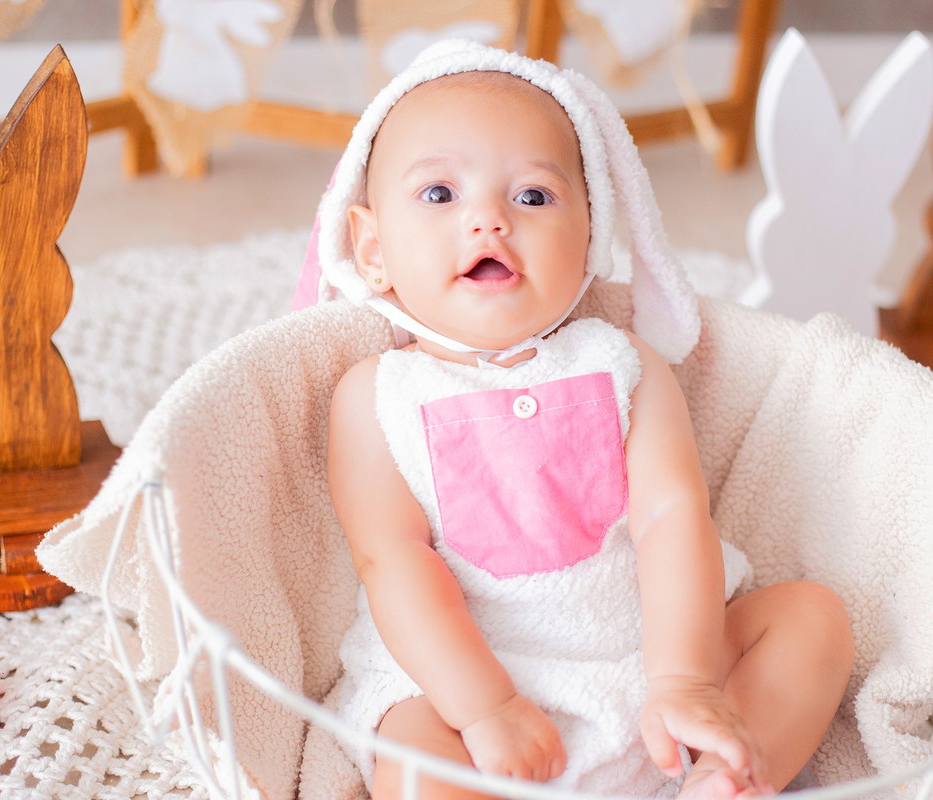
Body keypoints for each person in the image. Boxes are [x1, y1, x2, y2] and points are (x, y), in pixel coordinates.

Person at [321, 42, 854, 800]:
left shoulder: (622, 364)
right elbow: (392, 561)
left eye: (533, 196)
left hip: (649, 663)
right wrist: (486, 707)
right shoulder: (378, 395)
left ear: (589, 240)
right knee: (410, 753)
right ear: (373, 250)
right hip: (461, 690)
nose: (489, 220)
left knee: (813, 618)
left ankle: (725, 775)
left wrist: (686, 680)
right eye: (439, 194)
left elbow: (672, 517)